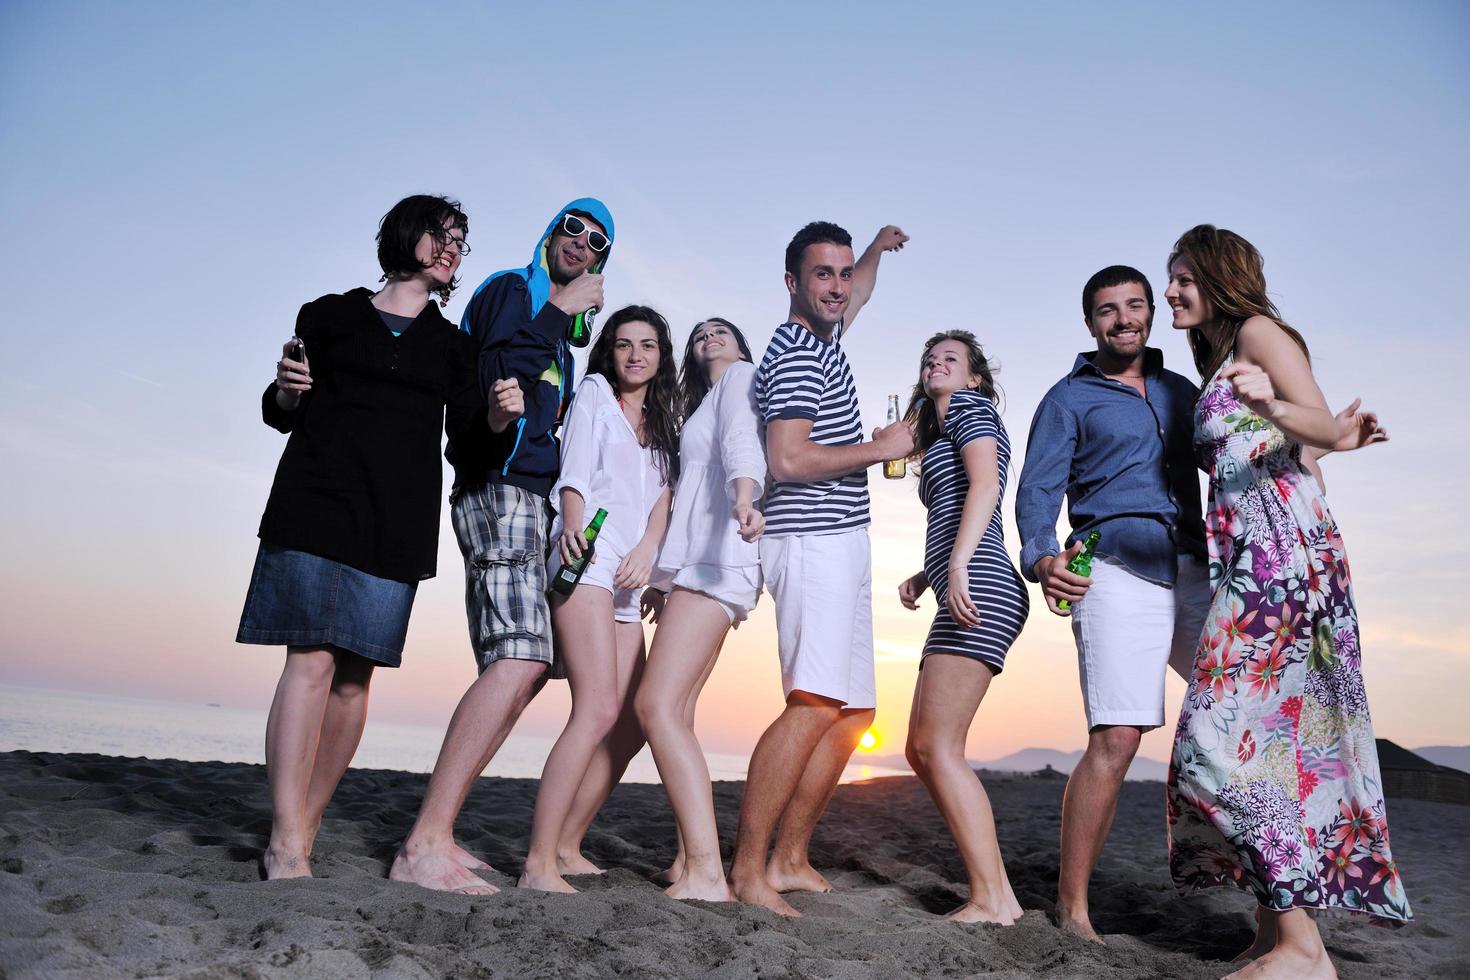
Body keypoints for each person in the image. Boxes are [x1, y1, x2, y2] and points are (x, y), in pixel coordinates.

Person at [1164, 224, 1408, 979]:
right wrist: (1318, 436)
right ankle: (1278, 938)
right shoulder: (1219, 360)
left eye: (1182, 279)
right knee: (1262, 745)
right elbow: (1310, 448)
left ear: (1216, 276)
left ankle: (1303, 949)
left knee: (1214, 741)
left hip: (1282, 561)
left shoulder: (1263, 333)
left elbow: (1311, 420)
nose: (1172, 292)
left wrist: (1284, 407)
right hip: (1259, 557)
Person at [237, 194, 477, 879]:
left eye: (462, 238)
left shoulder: (452, 347)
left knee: (352, 682)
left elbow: (472, 446)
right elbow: (282, 409)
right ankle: (284, 840)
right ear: (408, 236)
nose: (453, 245)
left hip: (394, 521)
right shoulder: (329, 316)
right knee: (308, 662)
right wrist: (286, 391)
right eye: (442, 232)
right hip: (315, 503)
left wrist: (496, 414)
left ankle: (306, 823)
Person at [389, 199, 614, 895]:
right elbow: (485, 384)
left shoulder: (559, 340)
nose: (582, 241)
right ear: (551, 233)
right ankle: (423, 840)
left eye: (598, 239)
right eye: (572, 227)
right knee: (520, 658)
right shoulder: (509, 291)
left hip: (535, 504)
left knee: (521, 669)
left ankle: (441, 833)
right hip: (498, 490)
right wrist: (560, 309)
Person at [1014, 264, 1213, 942]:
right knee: (1120, 735)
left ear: (1151, 311)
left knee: (1242, 710)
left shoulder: (1183, 392)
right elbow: (1037, 492)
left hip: (1191, 567)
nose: (1123, 319)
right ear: (1091, 321)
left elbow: (1236, 458)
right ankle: (1073, 912)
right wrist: (1043, 558)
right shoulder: (1068, 398)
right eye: (1108, 310)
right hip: (1115, 568)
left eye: (1134, 305)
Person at [728, 221, 913, 917]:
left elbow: (857, 293)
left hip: (845, 538)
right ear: (792, 284)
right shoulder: (797, 355)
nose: (838, 287)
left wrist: (873, 249)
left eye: (841, 273)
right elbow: (788, 461)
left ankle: (790, 857)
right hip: (810, 542)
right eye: (822, 275)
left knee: (853, 711)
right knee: (811, 702)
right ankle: (749, 871)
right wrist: (878, 448)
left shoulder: (825, 333)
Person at [519, 305, 679, 893]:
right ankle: (538, 864)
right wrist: (573, 526)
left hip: (631, 575)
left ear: (662, 356)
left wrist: (651, 553)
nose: (635, 354)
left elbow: (664, 498)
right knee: (595, 710)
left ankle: (565, 845)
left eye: (648, 345)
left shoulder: (666, 424)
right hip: (586, 558)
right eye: (623, 344)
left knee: (631, 722)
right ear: (608, 353)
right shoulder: (593, 393)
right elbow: (576, 471)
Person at [895, 330, 1029, 924]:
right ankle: (995, 892)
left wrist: (956, 565)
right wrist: (928, 575)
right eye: (929, 359)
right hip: (961, 579)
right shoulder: (941, 423)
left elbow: (987, 488)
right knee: (921, 749)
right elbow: (956, 509)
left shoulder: (971, 408)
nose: (935, 364)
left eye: (951, 358)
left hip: (981, 583)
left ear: (975, 377)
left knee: (939, 746)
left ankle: (994, 899)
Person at [633, 317, 766, 902]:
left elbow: (743, 442)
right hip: (700, 564)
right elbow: (687, 495)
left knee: (654, 704)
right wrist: (663, 577)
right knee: (678, 711)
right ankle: (690, 858)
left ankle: (709, 872)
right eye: (700, 332)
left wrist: (744, 496)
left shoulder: (740, 378)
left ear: (740, 345)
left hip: (718, 561)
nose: (709, 335)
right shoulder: (702, 402)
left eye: (722, 330)